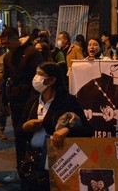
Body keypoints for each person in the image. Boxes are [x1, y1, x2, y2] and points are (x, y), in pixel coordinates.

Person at [20, 62, 93, 190]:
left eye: (40, 74)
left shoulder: (67, 101)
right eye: (36, 73)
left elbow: (87, 130)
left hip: (58, 160)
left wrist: (67, 130)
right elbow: (20, 128)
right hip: (33, 159)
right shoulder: (34, 100)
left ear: (52, 80)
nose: (36, 78)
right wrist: (26, 126)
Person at [0, 27, 43, 182]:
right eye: (4, 44)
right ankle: (21, 169)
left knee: (31, 137)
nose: (6, 46)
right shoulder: (7, 57)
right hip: (15, 101)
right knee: (18, 136)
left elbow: (39, 79)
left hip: (30, 102)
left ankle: (34, 170)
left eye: (7, 43)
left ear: (15, 38)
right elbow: (5, 79)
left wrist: (34, 100)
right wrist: (4, 100)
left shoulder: (32, 53)